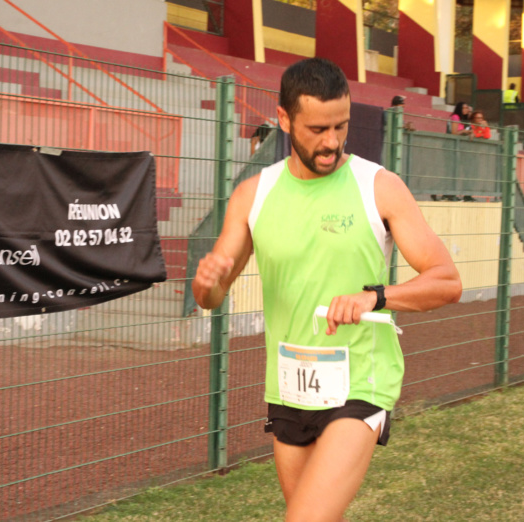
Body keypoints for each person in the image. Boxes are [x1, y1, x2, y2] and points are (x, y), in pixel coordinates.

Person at [192, 58, 462, 521]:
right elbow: (212, 298)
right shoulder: (253, 195)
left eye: (341, 125)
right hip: (290, 386)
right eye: (318, 128)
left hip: (360, 381)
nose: (332, 141)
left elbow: (447, 280)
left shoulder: (378, 186)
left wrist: (376, 296)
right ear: (283, 119)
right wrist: (206, 284)